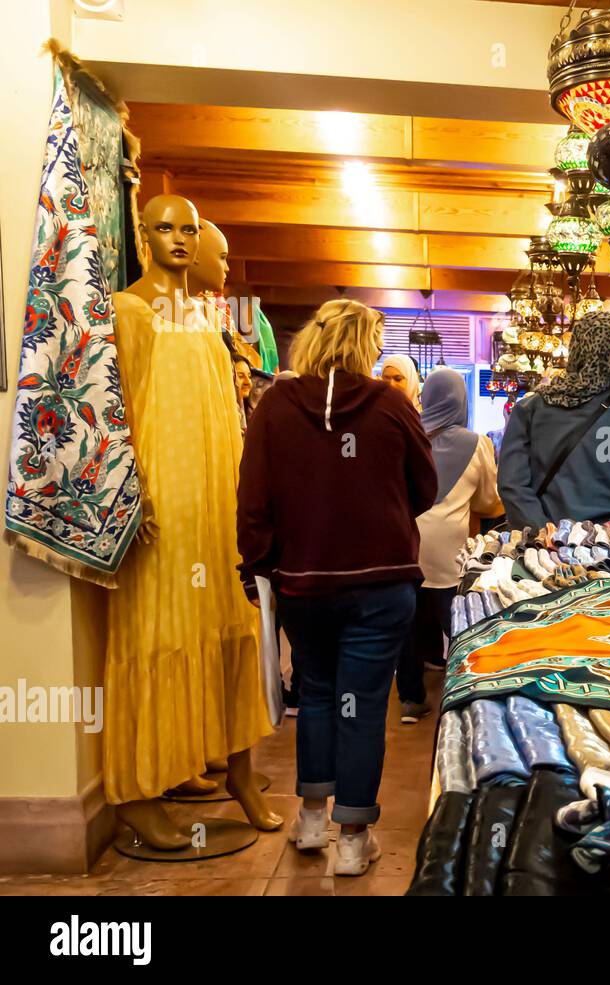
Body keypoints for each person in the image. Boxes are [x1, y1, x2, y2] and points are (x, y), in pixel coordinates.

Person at [236, 298, 438, 876]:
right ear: (362, 344)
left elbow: (252, 501)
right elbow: (425, 485)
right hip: (380, 583)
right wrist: (384, 509)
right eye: (375, 343)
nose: (378, 355)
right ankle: (352, 839)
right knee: (363, 706)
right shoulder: (391, 406)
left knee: (318, 695)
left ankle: (310, 819)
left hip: (304, 585)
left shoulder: (274, 406)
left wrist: (260, 567)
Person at [498, 310, 610, 528]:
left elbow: (512, 486)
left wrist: (547, 535)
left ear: (578, 350)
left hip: (545, 553)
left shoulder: (531, 409)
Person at [401, 367, 503, 723]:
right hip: (449, 548)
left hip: (406, 543)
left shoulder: (407, 435)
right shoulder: (477, 443)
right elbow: (489, 502)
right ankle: (466, 693)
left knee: (408, 624)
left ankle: (410, 699)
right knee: (455, 620)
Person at [232, 353, 254, 432]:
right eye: (241, 376)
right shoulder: (226, 416)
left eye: (249, 376)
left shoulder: (250, 413)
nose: (247, 382)